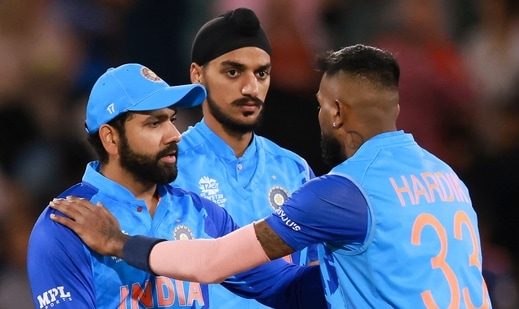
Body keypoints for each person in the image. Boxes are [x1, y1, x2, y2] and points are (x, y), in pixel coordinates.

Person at [49, 44, 493, 308]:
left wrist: (119, 243)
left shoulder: (341, 192)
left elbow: (211, 263)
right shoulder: (449, 178)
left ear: (336, 112)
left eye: (320, 105)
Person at [27, 63, 325, 308]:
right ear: (111, 138)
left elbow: (284, 286)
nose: (175, 134)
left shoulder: (204, 213)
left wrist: (358, 273)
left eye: (172, 119)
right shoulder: (65, 225)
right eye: (154, 124)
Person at [173, 7, 318, 308]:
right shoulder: (169, 167)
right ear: (197, 75)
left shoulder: (295, 170)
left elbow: (315, 274)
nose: (251, 88)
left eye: (261, 73)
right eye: (233, 71)